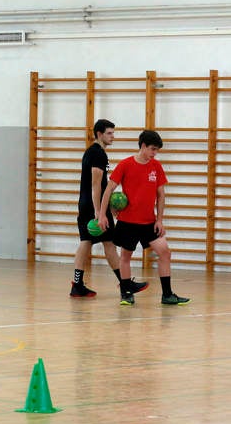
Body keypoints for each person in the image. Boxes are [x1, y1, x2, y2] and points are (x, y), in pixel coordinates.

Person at [98, 129, 190, 306]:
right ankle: (125, 293)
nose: (154, 154)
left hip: (149, 223)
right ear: (143, 146)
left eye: (157, 151)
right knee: (125, 257)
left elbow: (161, 195)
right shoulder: (125, 164)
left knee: (165, 253)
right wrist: (103, 214)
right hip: (127, 222)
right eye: (153, 149)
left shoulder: (156, 166)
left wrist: (160, 219)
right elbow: (108, 189)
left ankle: (167, 295)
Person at [71, 119, 148, 298]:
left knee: (87, 241)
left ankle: (77, 284)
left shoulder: (92, 152)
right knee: (109, 244)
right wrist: (99, 211)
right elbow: (96, 183)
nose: (113, 136)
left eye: (113, 133)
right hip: (93, 205)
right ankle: (125, 283)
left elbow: (100, 182)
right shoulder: (98, 154)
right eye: (109, 133)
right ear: (99, 134)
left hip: (85, 204)